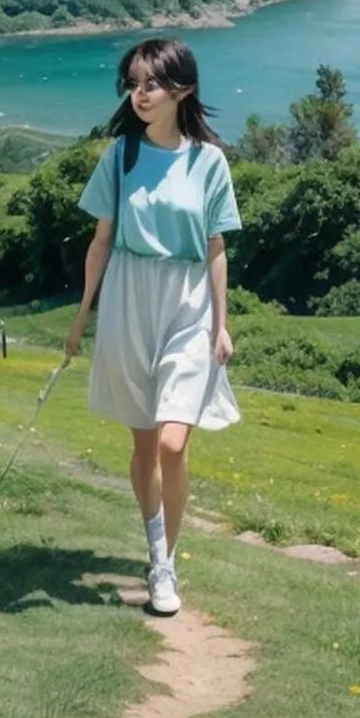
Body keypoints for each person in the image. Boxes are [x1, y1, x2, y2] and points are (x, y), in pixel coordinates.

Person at [64, 37, 240, 617]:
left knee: (172, 440)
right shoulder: (121, 156)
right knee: (143, 441)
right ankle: (154, 547)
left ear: (181, 89)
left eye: (151, 83)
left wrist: (222, 324)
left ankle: (167, 566)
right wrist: (82, 314)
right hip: (128, 298)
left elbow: (216, 248)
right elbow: (101, 240)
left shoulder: (209, 162)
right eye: (133, 83)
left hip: (187, 301)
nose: (139, 94)